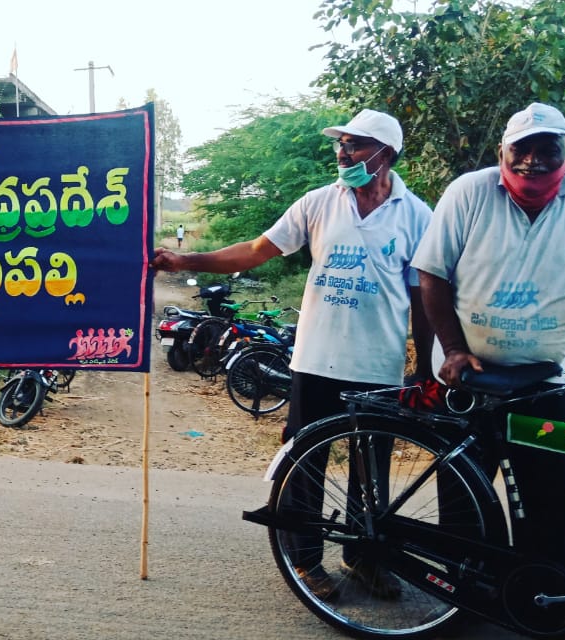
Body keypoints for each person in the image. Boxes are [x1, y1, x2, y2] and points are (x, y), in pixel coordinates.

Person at [152, 109, 434, 600]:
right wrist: (185, 260)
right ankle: (305, 560)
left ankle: (364, 558)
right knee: (306, 462)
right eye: (341, 144)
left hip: (378, 365)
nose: (343, 153)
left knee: (372, 470)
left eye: (355, 145)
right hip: (315, 359)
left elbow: (423, 297)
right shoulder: (320, 202)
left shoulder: (417, 215)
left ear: (386, 153)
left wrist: (426, 368)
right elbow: (255, 251)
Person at [412, 103, 565, 571]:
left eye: (547, 149)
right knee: (464, 495)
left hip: (544, 380)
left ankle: (544, 595)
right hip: (468, 377)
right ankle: (467, 591)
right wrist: (453, 349)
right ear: (502, 150)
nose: (532, 160)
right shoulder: (469, 191)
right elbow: (431, 273)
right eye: (521, 148)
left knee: (551, 498)